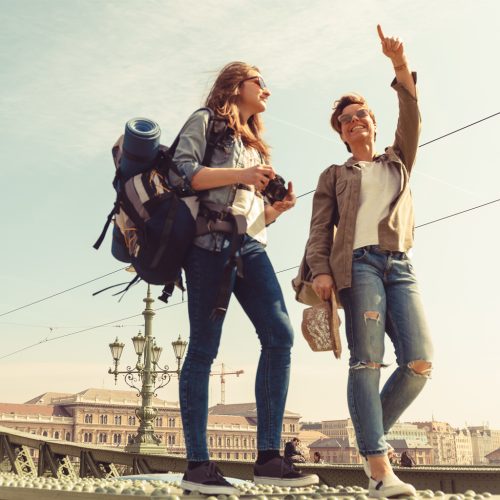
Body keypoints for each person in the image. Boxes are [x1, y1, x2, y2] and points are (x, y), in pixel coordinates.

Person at [170, 61, 319, 495]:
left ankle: (269, 457)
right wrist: (242, 175)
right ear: (237, 85)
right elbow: (185, 171)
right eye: (261, 82)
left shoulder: (255, 145)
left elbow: (248, 209)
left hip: (251, 246)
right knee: (203, 349)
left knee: (280, 334)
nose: (268, 91)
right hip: (208, 247)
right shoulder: (206, 121)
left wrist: (274, 210)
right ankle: (198, 465)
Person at [304, 25, 433, 498]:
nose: (354, 122)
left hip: (401, 265)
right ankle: (380, 469)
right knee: (368, 362)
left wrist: (398, 65)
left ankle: (365, 435)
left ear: (374, 123)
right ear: (341, 134)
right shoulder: (336, 174)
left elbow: (412, 114)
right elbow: (319, 228)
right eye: (345, 120)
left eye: (361, 115)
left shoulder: (398, 160)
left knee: (419, 362)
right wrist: (320, 270)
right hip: (356, 266)